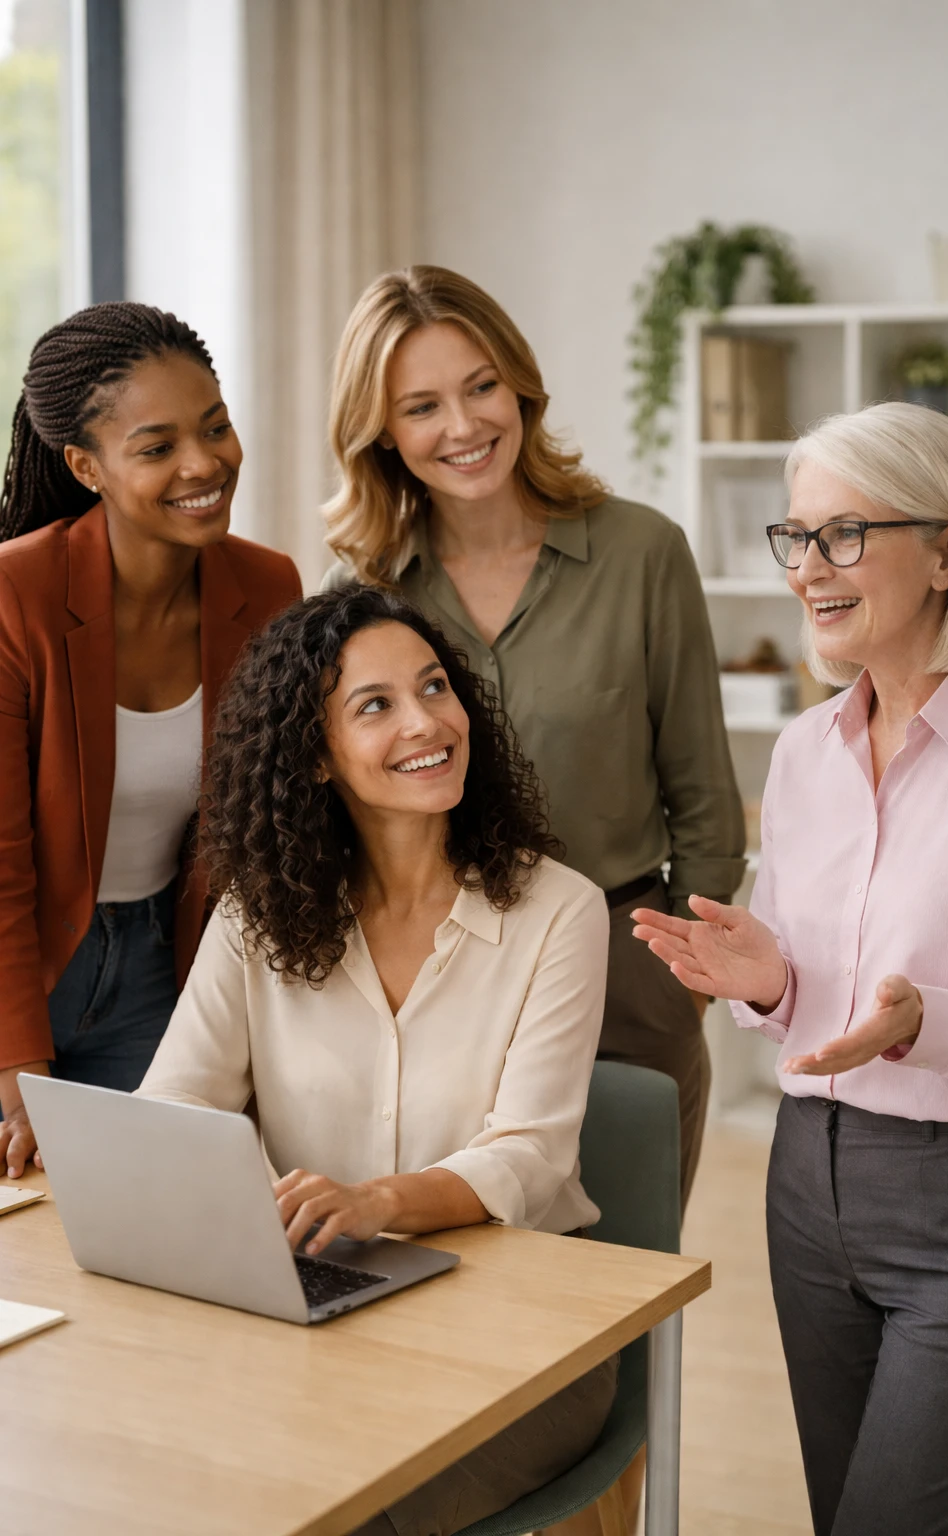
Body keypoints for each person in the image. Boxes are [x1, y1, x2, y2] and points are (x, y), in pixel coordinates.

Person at [137, 584, 617, 1536]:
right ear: (314, 758)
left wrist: (374, 1204)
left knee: (341, 1499)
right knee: (168, 1460)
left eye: (435, 688)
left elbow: (528, 1155)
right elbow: (173, 1103)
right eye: (376, 705)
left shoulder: (559, 910)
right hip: (318, 1311)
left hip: (517, 1331)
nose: (426, 722)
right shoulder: (257, 916)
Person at [634, 401, 948, 1536]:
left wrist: (923, 1024)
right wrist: (767, 984)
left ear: (947, 550)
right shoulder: (805, 753)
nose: (810, 569)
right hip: (807, 1187)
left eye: (846, 534)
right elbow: (817, 999)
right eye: (796, 537)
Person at [320, 264, 745, 1213]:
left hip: (627, 974)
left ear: (520, 384)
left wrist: (682, 985)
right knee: (472, 1280)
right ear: (382, 432)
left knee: (621, 1289)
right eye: (421, 405)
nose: (464, 427)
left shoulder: (643, 553)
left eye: (480, 387)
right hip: (445, 984)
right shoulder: (364, 593)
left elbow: (705, 798)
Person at [0, 302, 301, 1179]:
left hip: (159, 969)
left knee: (152, 1222)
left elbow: (266, 826)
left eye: (215, 427)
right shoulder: (17, 598)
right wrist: (16, 1064)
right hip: (19, 967)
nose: (204, 464)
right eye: (157, 446)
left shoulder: (267, 586)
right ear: (86, 466)